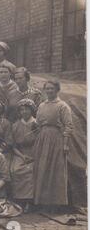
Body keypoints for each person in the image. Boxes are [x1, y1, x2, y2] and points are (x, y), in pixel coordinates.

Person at [33, 80, 73, 212]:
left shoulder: (63, 106)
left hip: (56, 138)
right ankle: (41, 202)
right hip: (43, 138)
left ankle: (55, 203)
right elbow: (38, 123)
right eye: (47, 89)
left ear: (57, 90)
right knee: (42, 168)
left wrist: (65, 144)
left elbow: (68, 126)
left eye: (52, 89)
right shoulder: (42, 105)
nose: (49, 91)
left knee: (55, 170)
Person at [10, 99, 37, 211]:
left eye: (27, 109)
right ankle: (19, 200)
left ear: (32, 110)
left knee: (31, 170)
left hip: (34, 153)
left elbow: (40, 142)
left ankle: (30, 201)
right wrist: (22, 156)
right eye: (22, 110)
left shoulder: (36, 124)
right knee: (15, 170)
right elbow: (14, 146)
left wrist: (33, 156)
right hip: (20, 154)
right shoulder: (16, 125)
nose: (24, 112)